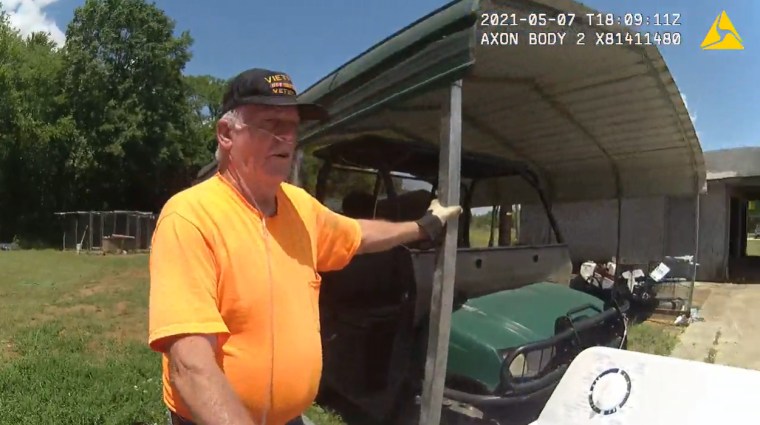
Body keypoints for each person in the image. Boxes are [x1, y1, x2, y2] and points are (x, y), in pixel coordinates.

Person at [148, 68, 462, 425]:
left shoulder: (301, 207)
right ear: (226, 134)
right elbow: (190, 365)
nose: (287, 138)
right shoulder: (190, 217)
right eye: (271, 124)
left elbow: (357, 234)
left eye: (293, 126)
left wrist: (422, 227)